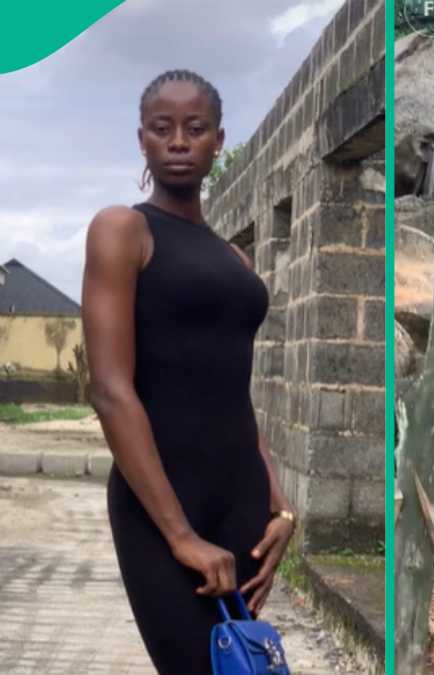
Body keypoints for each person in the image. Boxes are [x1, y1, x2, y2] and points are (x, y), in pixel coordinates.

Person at [81, 69, 294, 674]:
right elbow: (110, 390)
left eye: (195, 128)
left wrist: (280, 507)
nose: (179, 140)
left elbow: (234, 394)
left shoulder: (234, 258)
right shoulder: (124, 231)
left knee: (244, 666)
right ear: (142, 139)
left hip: (242, 506)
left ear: (218, 141)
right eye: (162, 128)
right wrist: (179, 535)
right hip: (161, 509)